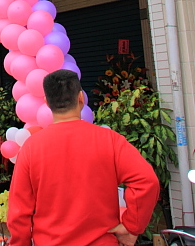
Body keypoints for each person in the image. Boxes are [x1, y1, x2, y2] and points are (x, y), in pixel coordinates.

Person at [8, 69, 159, 246]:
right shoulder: (109, 140)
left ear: (47, 103)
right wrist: (132, 225)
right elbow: (147, 181)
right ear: (81, 98)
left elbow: (19, 211)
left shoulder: (31, 147)